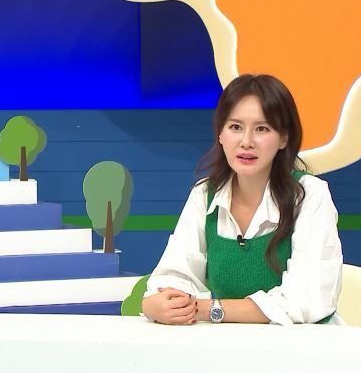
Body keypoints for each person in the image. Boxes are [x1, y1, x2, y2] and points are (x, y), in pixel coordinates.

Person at [142, 74, 342, 325]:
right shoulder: (204, 195)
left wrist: (209, 309)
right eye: (235, 127)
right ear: (220, 134)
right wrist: (157, 304)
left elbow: (305, 300)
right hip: (232, 343)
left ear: (284, 138)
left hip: (304, 345)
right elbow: (174, 276)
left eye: (262, 129)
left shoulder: (309, 195)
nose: (246, 142)